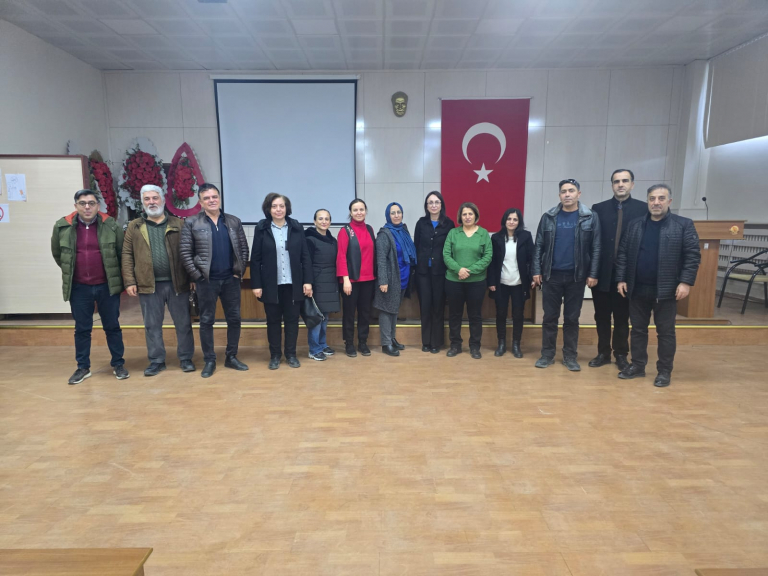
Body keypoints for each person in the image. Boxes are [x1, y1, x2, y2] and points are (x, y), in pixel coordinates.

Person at [615, 184, 701, 387]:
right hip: (637, 288)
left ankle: (664, 371)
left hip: (667, 290)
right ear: (647, 201)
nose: (656, 202)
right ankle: (637, 366)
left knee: (666, 332)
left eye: (661, 198)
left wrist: (685, 282)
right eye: (652, 198)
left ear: (669, 201)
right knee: (638, 330)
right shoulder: (635, 225)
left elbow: (692, 256)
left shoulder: (683, 225)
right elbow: (623, 254)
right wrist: (621, 279)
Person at [51, 189, 128, 384]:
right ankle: (82, 367)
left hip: (107, 286)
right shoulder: (62, 226)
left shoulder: (111, 225)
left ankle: (118, 364)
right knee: (82, 329)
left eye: (91, 203)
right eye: (83, 203)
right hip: (79, 288)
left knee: (112, 326)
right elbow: (58, 255)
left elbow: (121, 253)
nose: (87, 207)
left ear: (97, 206)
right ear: (76, 206)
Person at [122, 185, 195, 376]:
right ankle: (156, 361)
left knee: (183, 324)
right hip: (148, 285)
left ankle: (186, 358)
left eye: (155, 198)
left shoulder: (179, 224)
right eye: (147, 199)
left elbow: (190, 251)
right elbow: (127, 254)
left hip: (178, 283)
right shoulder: (134, 226)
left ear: (163, 200)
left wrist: (192, 277)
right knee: (152, 325)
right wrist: (130, 281)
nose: (151, 202)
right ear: (142, 203)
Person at [180, 183, 249, 378]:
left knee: (234, 319)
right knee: (206, 320)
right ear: (201, 202)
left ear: (219, 198)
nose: (211, 200)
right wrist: (198, 276)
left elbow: (243, 249)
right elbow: (185, 253)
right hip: (206, 281)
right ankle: (209, 360)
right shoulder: (192, 222)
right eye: (207, 198)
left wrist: (239, 272)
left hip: (230, 280)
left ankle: (231, 356)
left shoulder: (234, 221)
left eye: (214, 197)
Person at [532, 179, 601, 371]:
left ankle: (570, 356)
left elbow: (596, 247)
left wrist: (593, 273)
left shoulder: (590, 217)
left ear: (579, 194)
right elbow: (539, 245)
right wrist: (536, 270)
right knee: (549, 317)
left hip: (576, 277)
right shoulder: (549, 217)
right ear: (559, 195)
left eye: (571, 191)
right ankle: (547, 355)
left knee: (572, 318)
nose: (567, 194)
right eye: (564, 191)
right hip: (551, 275)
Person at [589, 169, 647, 371]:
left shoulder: (643, 209)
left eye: (625, 181)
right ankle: (603, 352)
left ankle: (621, 354)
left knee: (622, 317)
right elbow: (593, 241)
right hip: (602, 274)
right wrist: (592, 271)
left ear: (632, 184)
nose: (620, 184)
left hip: (628, 275)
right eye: (616, 181)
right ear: (612, 185)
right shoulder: (599, 209)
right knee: (601, 316)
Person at [250, 193, 313, 370]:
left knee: (292, 321)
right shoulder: (262, 228)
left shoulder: (296, 227)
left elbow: (305, 256)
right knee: (273, 321)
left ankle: (291, 355)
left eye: (282, 206)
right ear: (268, 209)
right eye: (274, 206)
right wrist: (256, 284)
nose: (278, 209)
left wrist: (308, 281)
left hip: (293, 283)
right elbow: (255, 259)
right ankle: (275, 355)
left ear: (287, 208)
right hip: (271, 284)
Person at [443, 202, 492, 359]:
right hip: (454, 281)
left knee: (475, 315)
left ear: (475, 216)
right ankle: (455, 345)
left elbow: (488, 256)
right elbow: (446, 255)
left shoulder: (483, 234)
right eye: (464, 214)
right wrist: (459, 270)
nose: (467, 217)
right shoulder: (453, 233)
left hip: (476, 282)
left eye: (470, 214)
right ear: (460, 217)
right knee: (454, 315)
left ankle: (475, 346)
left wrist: (469, 271)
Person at [487, 208, 534, 359]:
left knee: (518, 314)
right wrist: (491, 281)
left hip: (519, 283)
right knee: (500, 313)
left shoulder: (526, 236)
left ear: (519, 222)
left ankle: (516, 344)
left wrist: (533, 277)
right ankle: (501, 344)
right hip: (501, 283)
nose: (512, 222)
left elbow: (532, 258)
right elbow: (492, 262)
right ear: (504, 221)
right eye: (509, 219)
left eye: (515, 219)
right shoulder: (496, 238)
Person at [414, 191, 455, 354]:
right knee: (425, 307)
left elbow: (451, 248)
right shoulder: (421, 223)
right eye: (430, 202)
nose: (433, 205)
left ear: (441, 205)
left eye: (436, 202)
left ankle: (436, 342)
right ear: (426, 206)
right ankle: (426, 341)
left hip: (441, 271)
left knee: (438, 307)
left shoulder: (449, 224)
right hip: (423, 272)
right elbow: (416, 246)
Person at [374, 202, 417, 357]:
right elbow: (380, 260)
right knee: (386, 311)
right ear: (388, 215)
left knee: (394, 310)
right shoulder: (384, 234)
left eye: (399, 212)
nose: (396, 215)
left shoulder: (403, 231)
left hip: (403, 278)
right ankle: (386, 344)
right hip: (390, 279)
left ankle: (391, 338)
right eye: (393, 213)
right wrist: (383, 281)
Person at [336, 198, 376, 358]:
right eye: (355, 210)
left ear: (365, 211)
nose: (359, 212)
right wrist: (345, 279)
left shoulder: (370, 229)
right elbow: (341, 256)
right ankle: (349, 344)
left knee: (365, 313)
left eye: (361, 209)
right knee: (349, 314)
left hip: (368, 279)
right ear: (350, 213)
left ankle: (363, 342)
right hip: (350, 281)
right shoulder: (345, 231)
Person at [304, 209, 339, 361]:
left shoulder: (333, 240)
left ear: (330, 222)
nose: (324, 221)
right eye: (320, 218)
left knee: (325, 317)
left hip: (330, 283)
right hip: (316, 283)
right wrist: (308, 283)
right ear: (314, 221)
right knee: (316, 318)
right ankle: (314, 349)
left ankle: (322, 344)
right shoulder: (309, 239)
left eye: (327, 219)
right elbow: (306, 263)